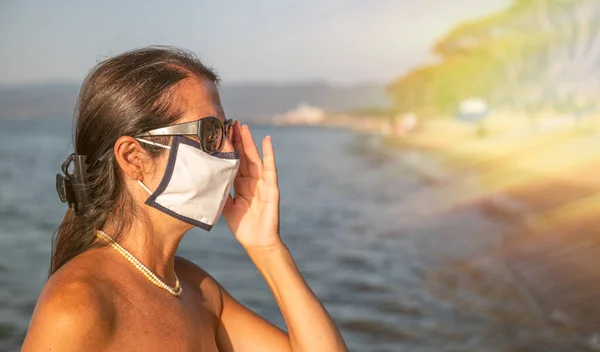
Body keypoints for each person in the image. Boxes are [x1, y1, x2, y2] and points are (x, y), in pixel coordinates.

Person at [22, 46, 347, 352]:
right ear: (134, 157)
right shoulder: (77, 303)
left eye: (226, 130)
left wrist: (267, 247)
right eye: (210, 133)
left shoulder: (196, 289)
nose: (230, 151)